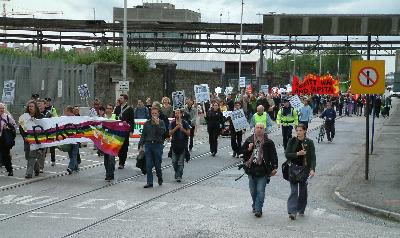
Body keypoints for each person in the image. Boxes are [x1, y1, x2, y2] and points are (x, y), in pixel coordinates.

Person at [241, 122, 278, 218]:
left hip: (263, 169)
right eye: (257, 127)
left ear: (264, 130)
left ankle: (258, 209)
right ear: (254, 129)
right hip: (251, 169)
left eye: (261, 128)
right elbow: (242, 153)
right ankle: (255, 204)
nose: (259, 129)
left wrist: (275, 167)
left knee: (260, 190)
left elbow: (274, 156)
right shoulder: (249, 140)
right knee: (253, 191)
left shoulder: (268, 142)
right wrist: (248, 150)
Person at [285, 124, 316, 220]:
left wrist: (312, 169)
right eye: (297, 130)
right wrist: (297, 154)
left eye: (300, 130)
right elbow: (287, 155)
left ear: (304, 131)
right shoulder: (292, 141)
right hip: (293, 169)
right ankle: (292, 212)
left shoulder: (309, 142)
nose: (298, 132)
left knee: (303, 191)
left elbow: (312, 157)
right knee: (294, 191)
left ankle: (301, 209)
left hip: (304, 169)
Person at [139, 107, 166, 188]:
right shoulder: (147, 123)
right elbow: (143, 135)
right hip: (148, 145)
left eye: (155, 113)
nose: (154, 115)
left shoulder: (161, 122)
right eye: (153, 113)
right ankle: (149, 182)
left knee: (157, 165)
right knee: (148, 164)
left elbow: (162, 133)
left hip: (157, 145)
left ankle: (159, 177)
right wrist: (141, 144)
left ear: (158, 114)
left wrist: (157, 125)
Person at [19, 100, 43, 179]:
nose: (30, 108)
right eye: (29, 106)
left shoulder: (40, 116)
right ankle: (37, 168)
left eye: (32, 106)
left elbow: (44, 127)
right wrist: (24, 137)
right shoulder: (24, 117)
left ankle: (28, 173)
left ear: (35, 107)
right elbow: (21, 128)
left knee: (32, 155)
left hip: (36, 140)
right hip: (27, 139)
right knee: (27, 156)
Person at [169, 109, 190, 182]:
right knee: (174, 161)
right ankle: (177, 172)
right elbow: (170, 133)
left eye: (178, 113)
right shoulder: (172, 123)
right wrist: (176, 128)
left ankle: (179, 175)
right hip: (174, 144)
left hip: (182, 144)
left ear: (181, 114)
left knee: (180, 162)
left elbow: (188, 133)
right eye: (175, 113)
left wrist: (182, 129)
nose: (176, 115)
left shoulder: (185, 123)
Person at [117, 94, 135, 169]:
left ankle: (122, 162)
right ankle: (120, 158)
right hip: (117, 130)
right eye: (120, 98)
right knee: (118, 146)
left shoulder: (130, 109)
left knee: (124, 146)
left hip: (125, 130)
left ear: (125, 99)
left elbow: (132, 120)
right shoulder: (117, 108)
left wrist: (131, 131)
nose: (120, 99)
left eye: (121, 98)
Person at [63, 105, 80, 174]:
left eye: (65, 111)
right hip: (68, 139)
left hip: (75, 139)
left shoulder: (76, 119)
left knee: (73, 154)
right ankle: (76, 166)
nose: (64, 112)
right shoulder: (64, 119)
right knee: (71, 154)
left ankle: (70, 167)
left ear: (68, 111)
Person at [0, 103, 16, 176]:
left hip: (4, 138)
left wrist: (8, 128)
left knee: (6, 154)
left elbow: (14, 126)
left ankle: (10, 170)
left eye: (3, 108)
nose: (1, 110)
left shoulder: (7, 117)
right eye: (0, 108)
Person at [103, 104, 117, 181]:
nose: (108, 110)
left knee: (111, 158)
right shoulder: (102, 118)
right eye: (107, 108)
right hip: (105, 141)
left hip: (113, 141)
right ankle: (108, 172)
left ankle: (110, 174)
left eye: (110, 108)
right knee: (106, 160)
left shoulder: (116, 117)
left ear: (112, 110)